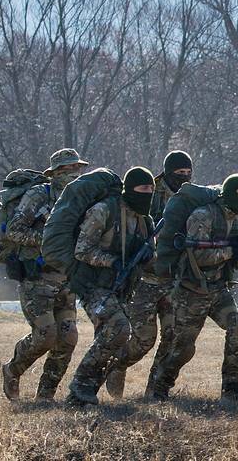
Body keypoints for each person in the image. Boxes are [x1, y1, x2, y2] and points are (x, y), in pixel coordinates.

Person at [149, 174, 238, 402]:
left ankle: (231, 385)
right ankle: (159, 388)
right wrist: (230, 252)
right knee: (183, 348)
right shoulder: (203, 215)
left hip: (218, 290)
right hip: (191, 290)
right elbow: (197, 256)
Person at [103, 150, 192, 399]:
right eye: (179, 172)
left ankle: (155, 390)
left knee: (173, 337)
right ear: (168, 172)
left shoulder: (190, 196)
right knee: (144, 339)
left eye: (188, 172)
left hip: (174, 280)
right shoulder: (149, 192)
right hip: (145, 279)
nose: (184, 177)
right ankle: (116, 366)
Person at [1, 149, 87, 402]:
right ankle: (12, 370)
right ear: (56, 173)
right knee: (45, 335)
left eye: (78, 169)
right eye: (70, 170)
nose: (75, 174)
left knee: (68, 337)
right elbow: (14, 231)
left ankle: (45, 396)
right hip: (37, 278)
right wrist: (49, 241)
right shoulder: (39, 195)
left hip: (66, 278)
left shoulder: (79, 199)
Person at [66, 166, 156, 406]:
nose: (148, 193)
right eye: (143, 188)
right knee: (118, 328)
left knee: (112, 338)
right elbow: (82, 250)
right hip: (92, 284)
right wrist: (112, 260)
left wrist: (148, 257)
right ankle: (79, 386)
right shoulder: (104, 211)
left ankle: (88, 393)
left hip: (121, 288)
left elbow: (150, 255)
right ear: (130, 189)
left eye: (151, 189)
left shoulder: (145, 220)